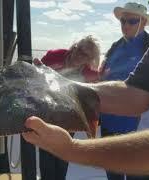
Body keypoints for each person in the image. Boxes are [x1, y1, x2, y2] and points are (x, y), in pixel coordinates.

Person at [22, 4, 149, 179]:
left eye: (132, 21)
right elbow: (135, 93)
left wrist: (72, 149)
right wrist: (55, 88)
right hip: (137, 152)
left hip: (140, 136)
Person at [98, 2, 149, 180]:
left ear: (143, 22)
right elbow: (102, 75)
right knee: (112, 173)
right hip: (108, 121)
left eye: (132, 21)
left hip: (137, 126)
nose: (126, 25)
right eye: (123, 21)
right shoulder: (115, 46)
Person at [36, 35, 100, 180]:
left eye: (85, 55)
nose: (78, 55)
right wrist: (39, 68)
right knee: (46, 154)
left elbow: (98, 90)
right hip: (47, 112)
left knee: (62, 155)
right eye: (78, 49)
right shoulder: (54, 55)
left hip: (69, 118)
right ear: (74, 47)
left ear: (90, 60)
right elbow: (37, 75)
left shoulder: (90, 73)